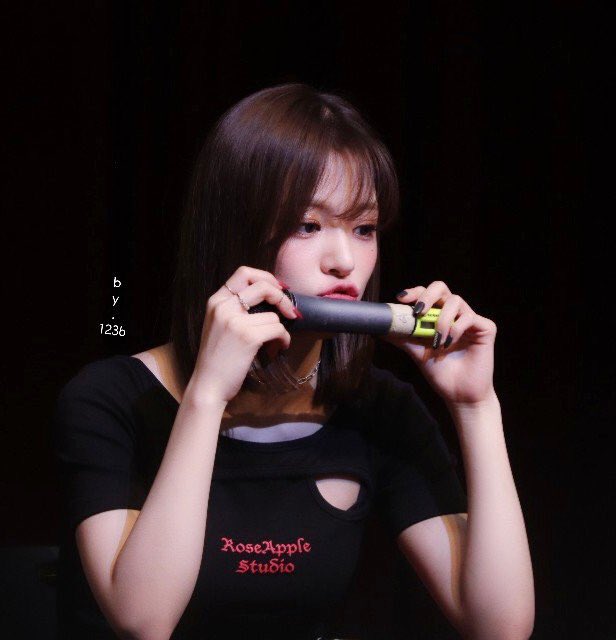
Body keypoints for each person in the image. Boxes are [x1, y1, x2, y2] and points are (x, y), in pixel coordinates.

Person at [52, 83, 534, 640]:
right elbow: (144, 621)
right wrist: (207, 396)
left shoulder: (378, 410)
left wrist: (477, 407)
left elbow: (501, 627)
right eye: (307, 225)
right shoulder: (110, 401)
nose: (344, 261)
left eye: (364, 228)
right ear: (235, 231)